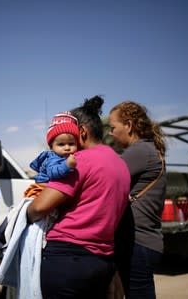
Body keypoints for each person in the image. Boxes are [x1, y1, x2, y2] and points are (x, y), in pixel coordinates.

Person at [27, 96, 131, 299]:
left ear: (81, 131)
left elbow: (39, 208)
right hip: (103, 262)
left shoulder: (79, 162)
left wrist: (25, 213)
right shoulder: (120, 165)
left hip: (67, 261)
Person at [108, 101, 167, 299]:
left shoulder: (139, 151)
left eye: (113, 127)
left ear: (129, 125)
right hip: (145, 243)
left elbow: (105, 180)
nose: (111, 133)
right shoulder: (148, 150)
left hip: (138, 244)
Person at [25, 111, 79, 198]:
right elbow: (52, 173)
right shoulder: (52, 158)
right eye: (61, 144)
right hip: (41, 190)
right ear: (51, 147)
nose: (67, 148)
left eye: (71, 144)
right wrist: (67, 165)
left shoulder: (67, 156)